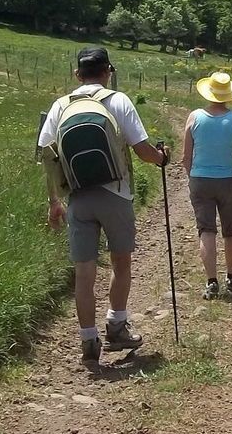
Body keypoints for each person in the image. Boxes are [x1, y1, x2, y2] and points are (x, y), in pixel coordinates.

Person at [39, 46, 169, 369]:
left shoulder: (60, 106)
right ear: (108, 71)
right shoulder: (118, 101)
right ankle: (116, 326)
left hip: (78, 198)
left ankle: (88, 340)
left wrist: (54, 202)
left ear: (76, 74)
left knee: (84, 272)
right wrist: (161, 158)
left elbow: (48, 157)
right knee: (120, 263)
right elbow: (142, 150)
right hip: (115, 194)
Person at [182, 71, 232, 299]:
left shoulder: (194, 117)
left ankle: (211, 281)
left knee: (206, 230)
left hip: (200, 179)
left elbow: (186, 156)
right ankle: (231, 276)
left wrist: (192, 176)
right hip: (229, 180)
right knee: (231, 231)